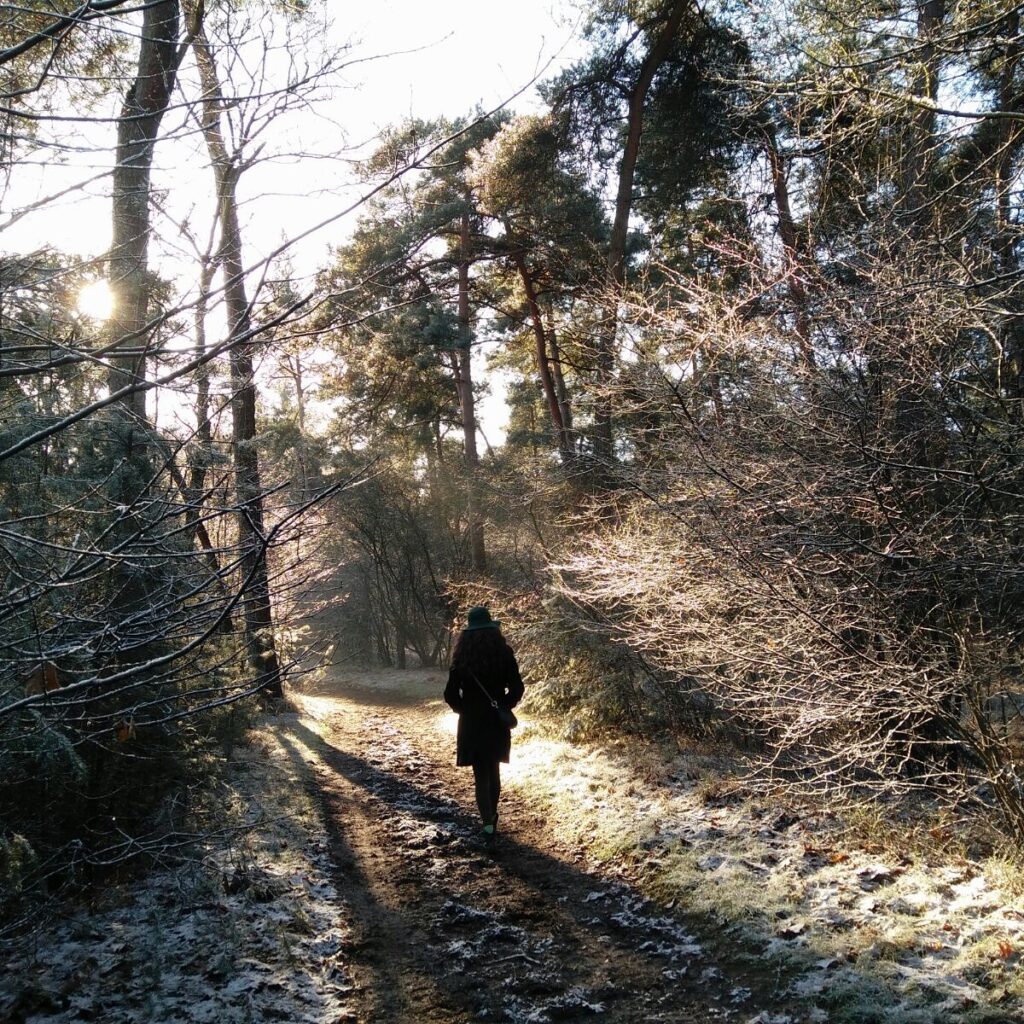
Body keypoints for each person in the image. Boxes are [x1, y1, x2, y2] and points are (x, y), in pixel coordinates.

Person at [444, 606, 524, 845]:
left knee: (480, 775)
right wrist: (503, 705)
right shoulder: (503, 652)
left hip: (471, 722)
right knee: (494, 770)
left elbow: (450, 694)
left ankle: (487, 823)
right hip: (496, 720)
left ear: (468, 632)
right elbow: (517, 687)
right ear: (492, 628)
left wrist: (464, 709)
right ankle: (493, 816)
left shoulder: (462, 656)